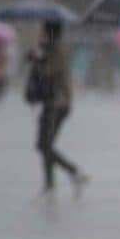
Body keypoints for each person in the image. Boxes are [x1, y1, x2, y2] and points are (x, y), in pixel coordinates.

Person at [26, 21, 89, 197]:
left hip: (58, 103)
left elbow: (49, 73)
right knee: (45, 144)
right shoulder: (51, 49)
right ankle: (51, 184)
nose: (41, 34)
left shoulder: (58, 50)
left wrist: (37, 60)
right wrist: (39, 56)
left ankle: (72, 173)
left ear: (50, 32)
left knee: (44, 144)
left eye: (44, 31)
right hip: (53, 102)